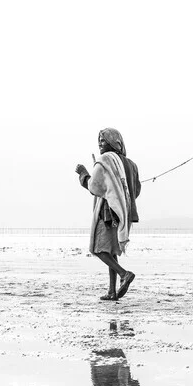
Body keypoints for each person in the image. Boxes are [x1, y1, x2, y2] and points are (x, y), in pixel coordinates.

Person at [75, 128, 141, 300]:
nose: (100, 143)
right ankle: (112, 291)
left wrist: (83, 173)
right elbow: (136, 191)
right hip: (123, 214)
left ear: (114, 142)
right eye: (99, 140)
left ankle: (124, 274)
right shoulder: (131, 164)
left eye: (103, 140)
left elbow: (93, 186)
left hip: (107, 213)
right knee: (111, 251)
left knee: (98, 249)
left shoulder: (104, 160)